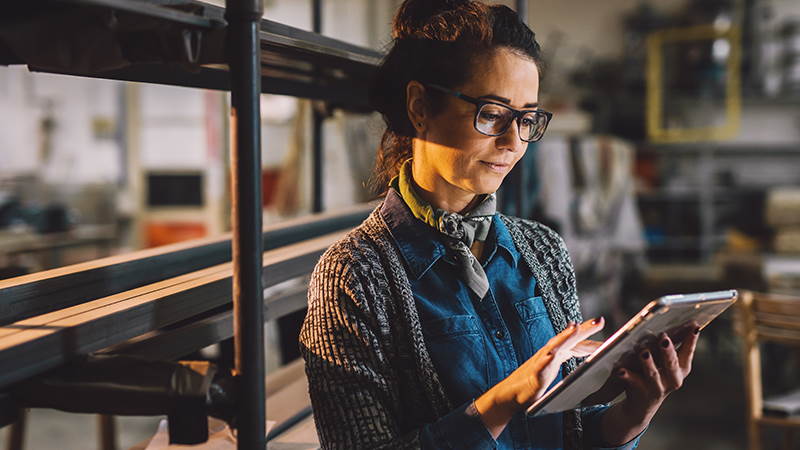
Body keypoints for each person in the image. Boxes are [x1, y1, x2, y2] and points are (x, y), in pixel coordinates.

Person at [299, 1, 699, 448]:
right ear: (419, 106)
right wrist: (505, 400)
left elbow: (568, 430)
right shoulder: (353, 275)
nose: (512, 142)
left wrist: (636, 410)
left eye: (527, 118)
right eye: (491, 113)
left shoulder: (543, 248)